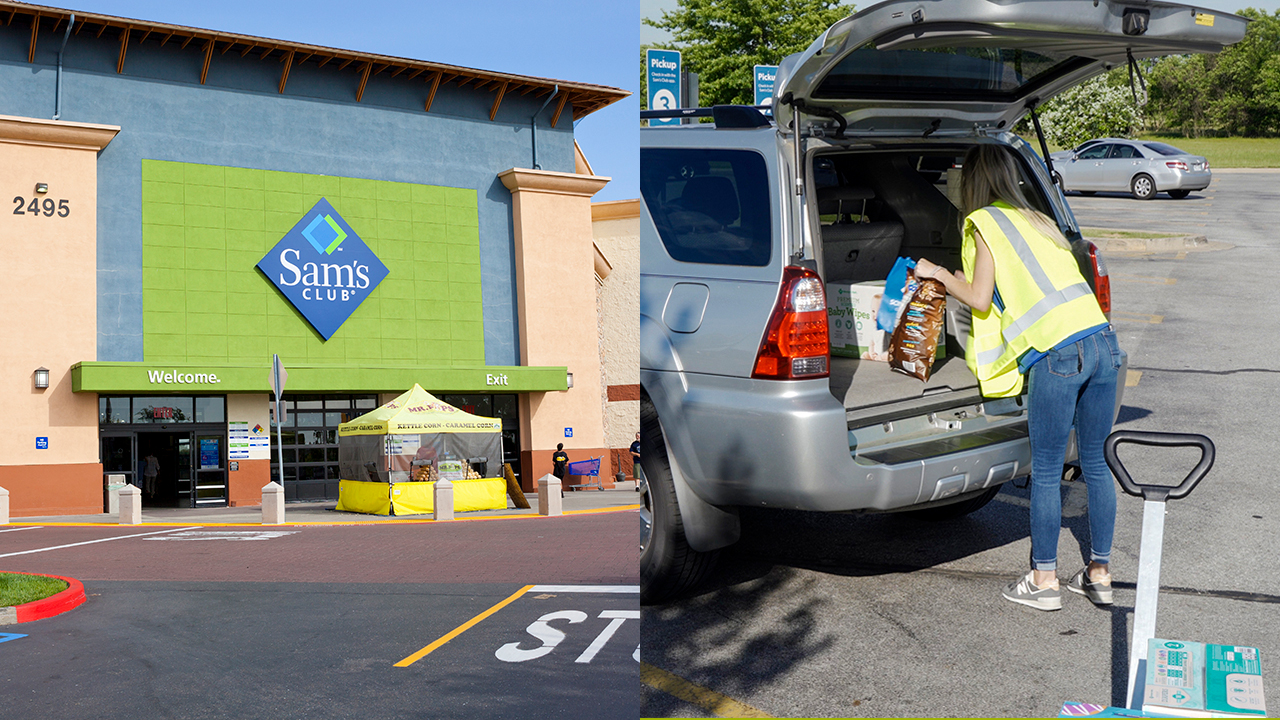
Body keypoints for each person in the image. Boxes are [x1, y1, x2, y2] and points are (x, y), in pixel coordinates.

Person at [914, 145, 1121, 612]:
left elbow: (981, 298)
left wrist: (938, 274)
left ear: (973, 182)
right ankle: (1100, 573)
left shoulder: (984, 222)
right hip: (1104, 345)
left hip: (1057, 353)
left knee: (1046, 470)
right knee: (1094, 463)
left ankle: (1043, 579)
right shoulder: (1037, 218)